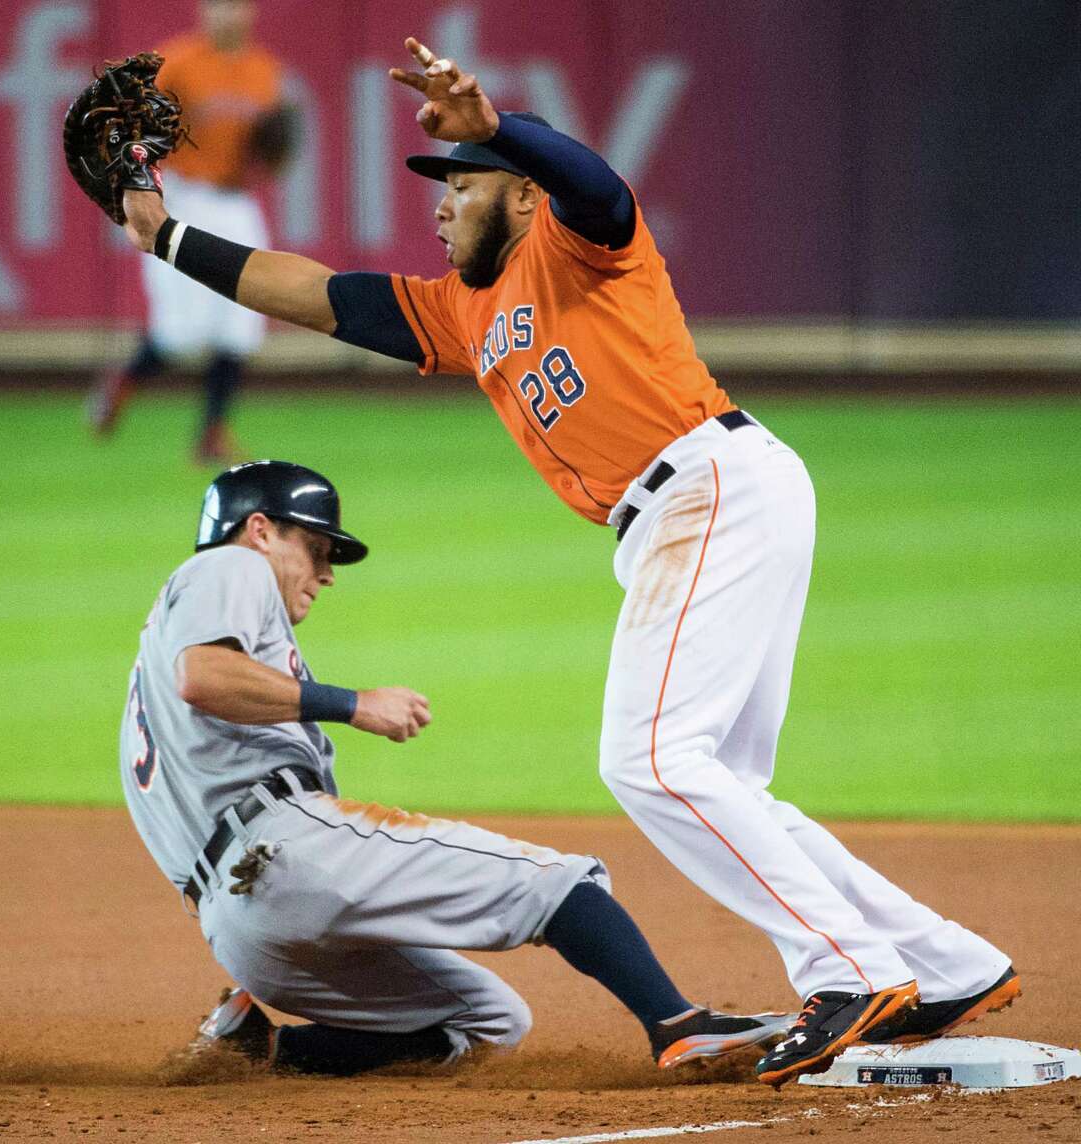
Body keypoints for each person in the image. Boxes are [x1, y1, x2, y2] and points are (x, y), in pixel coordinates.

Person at [115, 38, 1020, 1086]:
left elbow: (594, 181)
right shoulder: (461, 312)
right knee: (716, 777)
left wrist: (496, 130)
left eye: (460, 186)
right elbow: (311, 293)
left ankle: (853, 971)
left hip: (706, 486)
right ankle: (942, 963)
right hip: (704, 507)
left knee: (650, 759)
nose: (441, 205)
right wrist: (164, 232)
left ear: (523, 199)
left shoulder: (584, 243)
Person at [120, 459, 791, 1076]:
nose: (327, 573)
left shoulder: (145, 681)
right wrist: (352, 704)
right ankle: (679, 1027)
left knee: (492, 1023)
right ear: (260, 530)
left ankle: (259, 1048)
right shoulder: (227, 567)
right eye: (317, 549)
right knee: (558, 883)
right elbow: (204, 677)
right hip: (289, 856)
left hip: (238, 929)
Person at [88, 0, 292, 463]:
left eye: (238, 7)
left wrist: (274, 156)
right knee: (182, 334)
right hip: (182, 196)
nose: (230, 15)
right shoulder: (176, 63)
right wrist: (135, 193)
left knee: (242, 324)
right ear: (204, 11)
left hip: (237, 201)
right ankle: (122, 382)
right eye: (221, 6)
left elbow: (272, 148)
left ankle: (212, 433)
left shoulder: (264, 71)